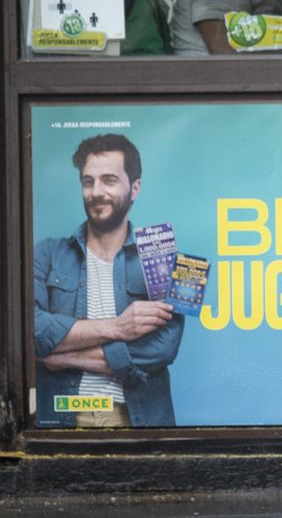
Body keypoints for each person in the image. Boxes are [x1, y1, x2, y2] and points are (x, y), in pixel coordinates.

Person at [33, 134, 184, 428]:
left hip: (140, 422)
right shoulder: (47, 254)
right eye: (88, 181)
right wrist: (118, 327)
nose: (96, 192)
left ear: (135, 187)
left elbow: (164, 347)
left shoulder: (161, 256)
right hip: (64, 421)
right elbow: (32, 331)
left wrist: (66, 356)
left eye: (109, 180)